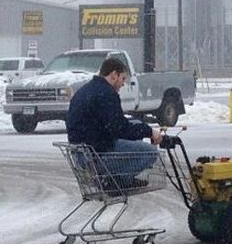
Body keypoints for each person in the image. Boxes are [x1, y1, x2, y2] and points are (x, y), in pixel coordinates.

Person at [66, 57, 162, 190]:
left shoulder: (85, 91)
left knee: (135, 129)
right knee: (150, 152)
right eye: (122, 79)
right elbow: (118, 128)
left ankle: (117, 179)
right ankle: (116, 181)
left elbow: (110, 122)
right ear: (114, 75)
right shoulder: (107, 94)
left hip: (82, 153)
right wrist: (149, 132)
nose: (123, 84)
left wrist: (139, 127)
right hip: (96, 155)